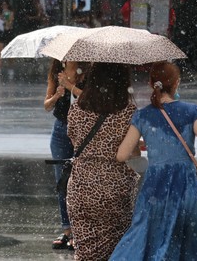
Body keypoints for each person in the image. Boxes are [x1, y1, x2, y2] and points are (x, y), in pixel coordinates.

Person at [111, 61, 197, 260]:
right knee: (190, 241)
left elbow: (121, 155)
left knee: (146, 235)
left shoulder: (143, 115)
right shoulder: (191, 111)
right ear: (176, 83)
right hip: (186, 187)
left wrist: (150, 143)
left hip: (155, 188)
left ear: (152, 84)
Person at [66, 62, 139, 260]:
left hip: (81, 186)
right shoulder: (128, 112)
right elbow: (133, 155)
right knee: (116, 250)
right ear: (123, 81)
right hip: (115, 188)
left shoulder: (77, 109)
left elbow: (73, 139)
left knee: (85, 250)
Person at [44, 59, 87, 251]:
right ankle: (67, 230)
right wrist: (57, 95)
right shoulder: (56, 71)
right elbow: (46, 105)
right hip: (61, 129)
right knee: (62, 182)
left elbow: (90, 99)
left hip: (83, 131)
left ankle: (81, 230)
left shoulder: (86, 71)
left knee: (81, 181)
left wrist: (70, 87)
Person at [0, 0, 15, 75]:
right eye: (2, 5)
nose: (4, 6)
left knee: (10, 51)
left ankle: (11, 67)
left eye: (5, 4)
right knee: (0, 51)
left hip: (8, 32)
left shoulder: (10, 13)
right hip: (1, 32)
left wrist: (5, 18)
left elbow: (9, 23)